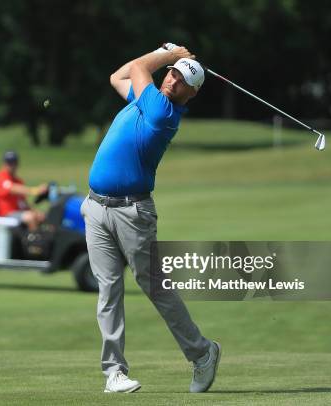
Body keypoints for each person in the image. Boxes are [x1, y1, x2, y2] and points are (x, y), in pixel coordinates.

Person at [81, 43, 221, 393]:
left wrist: (168, 53)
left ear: (190, 94)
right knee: (108, 290)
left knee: (155, 287)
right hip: (96, 208)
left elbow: (141, 67)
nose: (173, 81)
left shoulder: (162, 112)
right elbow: (119, 75)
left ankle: (202, 353)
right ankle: (114, 372)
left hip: (132, 212)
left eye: (182, 80)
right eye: (173, 74)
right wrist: (170, 57)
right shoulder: (143, 101)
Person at [0, 150, 48, 231]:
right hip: (4, 214)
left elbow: (23, 202)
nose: (11, 165)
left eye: (14, 162)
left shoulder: (18, 181)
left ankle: (45, 239)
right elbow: (13, 189)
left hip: (18, 212)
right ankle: (34, 242)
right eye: (9, 162)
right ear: (4, 163)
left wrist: (35, 212)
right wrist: (35, 190)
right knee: (30, 217)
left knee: (43, 216)